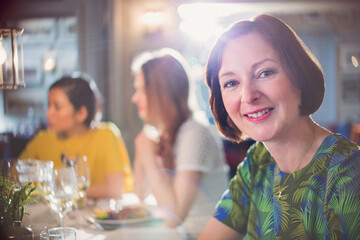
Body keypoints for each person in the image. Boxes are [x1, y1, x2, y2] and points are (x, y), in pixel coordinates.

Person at [199, 14, 360, 239]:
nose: (248, 95)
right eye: (231, 83)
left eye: (265, 72)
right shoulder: (258, 161)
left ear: (299, 76)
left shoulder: (349, 175)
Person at [131, 48, 229, 229]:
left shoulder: (194, 133)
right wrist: (142, 151)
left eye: (142, 90)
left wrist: (148, 156)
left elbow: (174, 218)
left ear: (163, 93)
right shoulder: (165, 134)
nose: (134, 98)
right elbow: (140, 195)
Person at [20, 74, 133, 199]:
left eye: (57, 107)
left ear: (81, 113)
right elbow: (13, 180)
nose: (48, 113)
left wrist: (64, 191)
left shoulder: (105, 135)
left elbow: (115, 189)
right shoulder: (42, 139)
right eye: (49, 105)